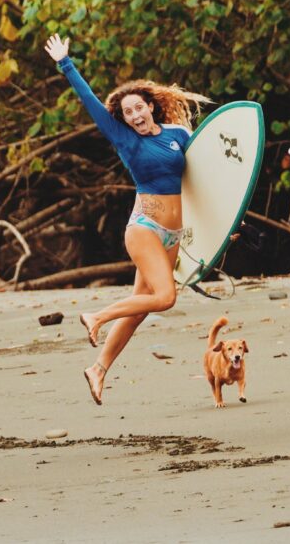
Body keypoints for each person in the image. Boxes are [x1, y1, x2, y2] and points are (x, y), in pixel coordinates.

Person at [44, 34, 210, 405]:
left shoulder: (179, 135)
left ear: (151, 105)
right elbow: (91, 104)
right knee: (164, 298)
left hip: (173, 233)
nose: (134, 116)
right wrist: (66, 64)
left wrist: (225, 225)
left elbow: (204, 181)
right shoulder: (125, 140)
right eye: (128, 113)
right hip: (144, 228)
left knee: (140, 306)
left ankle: (98, 369)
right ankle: (97, 316)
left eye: (139, 108)